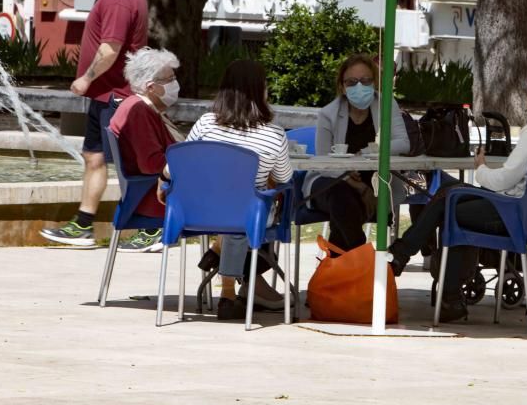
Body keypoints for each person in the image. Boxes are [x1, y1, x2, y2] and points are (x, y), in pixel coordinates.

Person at [388, 54, 527, 323]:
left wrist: (481, 167)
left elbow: (504, 180)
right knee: (449, 197)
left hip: (513, 212)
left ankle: (407, 259)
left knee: (447, 201)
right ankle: (433, 283)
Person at [41, 0, 149, 248]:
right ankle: (83, 224)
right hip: (105, 95)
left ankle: (154, 227)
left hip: (115, 95)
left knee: (135, 163)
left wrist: (86, 79)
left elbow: (110, 49)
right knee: (94, 157)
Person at [185, 59, 294, 321]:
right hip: (247, 215)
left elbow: (180, 164)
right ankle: (227, 289)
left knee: (232, 214)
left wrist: (162, 178)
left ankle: (221, 258)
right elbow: (284, 178)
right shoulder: (273, 133)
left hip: (200, 212)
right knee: (245, 211)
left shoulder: (205, 123)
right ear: (260, 91)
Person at [304, 54, 409, 251]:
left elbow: (403, 143)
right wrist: (356, 185)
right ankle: (363, 258)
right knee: (341, 193)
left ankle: (345, 269)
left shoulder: (386, 104)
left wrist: (368, 152)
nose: (359, 87)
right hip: (331, 181)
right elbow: (323, 162)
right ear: (342, 87)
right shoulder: (328, 114)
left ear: (374, 83)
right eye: (351, 82)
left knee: (344, 209)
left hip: (376, 183)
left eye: (365, 80)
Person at [106, 48, 182, 252]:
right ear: (151, 87)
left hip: (161, 192)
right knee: (237, 204)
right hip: (157, 198)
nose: (175, 84)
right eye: (170, 79)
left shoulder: (139, 106)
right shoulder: (138, 111)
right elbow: (150, 164)